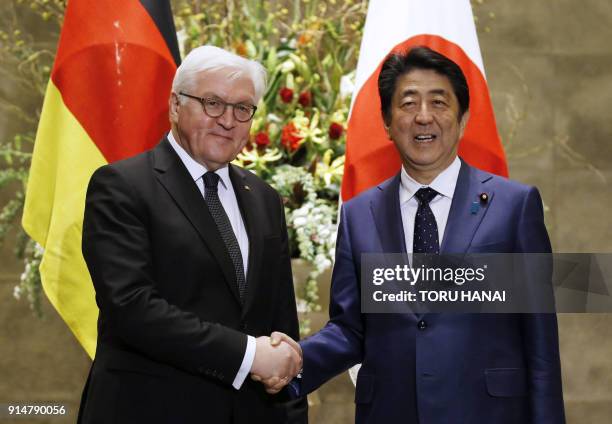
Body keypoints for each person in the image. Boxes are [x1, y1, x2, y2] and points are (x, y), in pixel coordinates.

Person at [265, 46, 566, 423]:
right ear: (388, 122)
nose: (424, 117)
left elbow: (539, 338)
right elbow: (350, 328)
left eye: (439, 102)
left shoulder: (514, 205)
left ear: (463, 117)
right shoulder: (359, 215)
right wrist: (296, 361)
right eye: (408, 104)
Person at [77, 45, 306, 423]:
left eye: (242, 109)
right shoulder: (122, 186)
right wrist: (248, 355)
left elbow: (282, 327)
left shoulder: (263, 197)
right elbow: (132, 308)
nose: (228, 121)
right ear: (174, 106)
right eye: (212, 103)